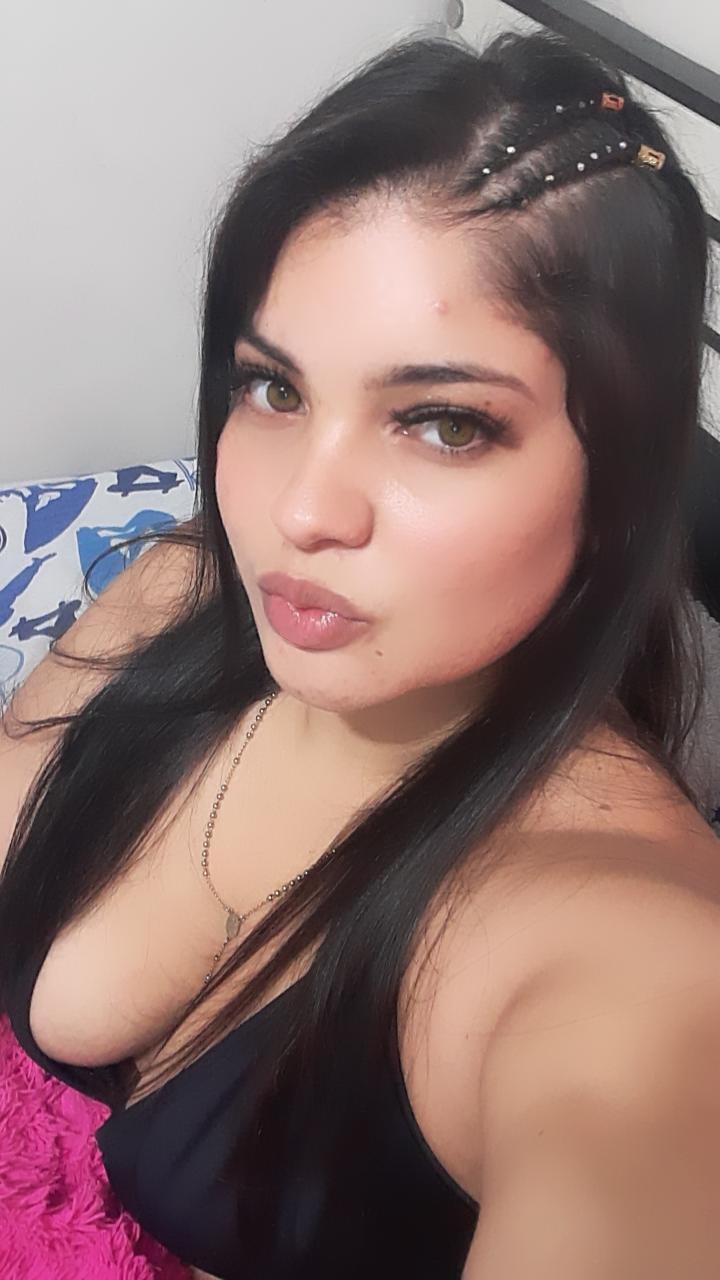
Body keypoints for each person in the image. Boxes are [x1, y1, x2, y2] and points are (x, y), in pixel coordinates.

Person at [1, 24, 719, 1280]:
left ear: (619, 480)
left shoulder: (635, 969)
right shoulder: (177, 585)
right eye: (274, 389)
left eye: (442, 423)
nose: (300, 511)